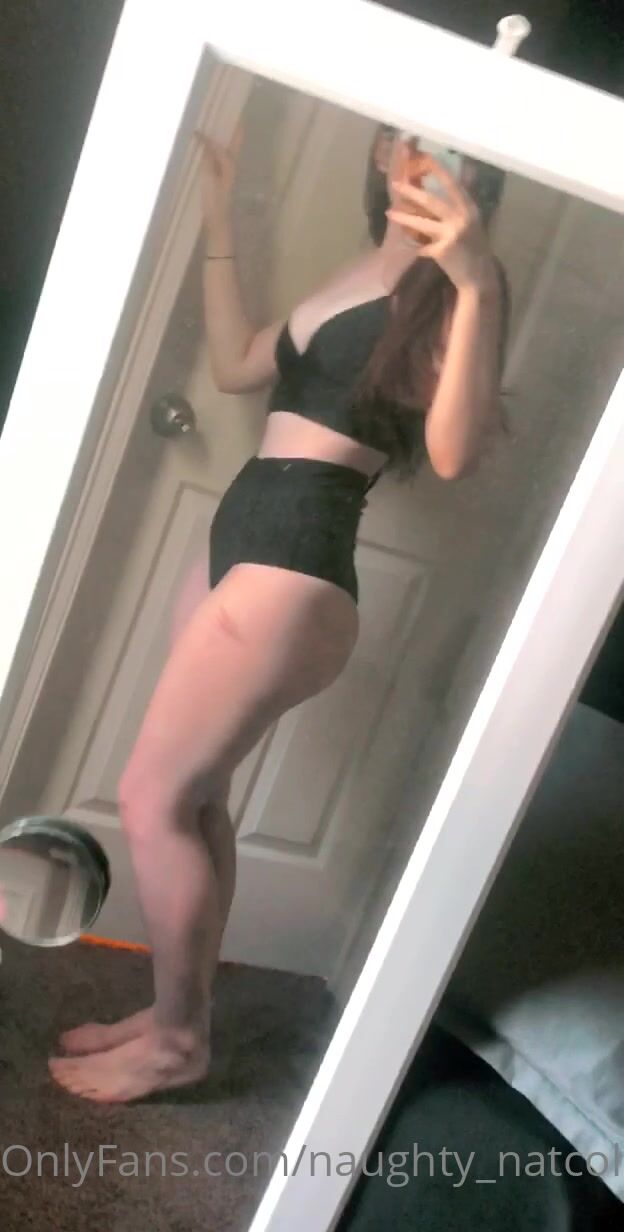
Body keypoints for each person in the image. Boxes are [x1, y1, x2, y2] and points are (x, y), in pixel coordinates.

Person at [48, 125, 508, 1102]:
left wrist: (477, 280)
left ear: (480, 174)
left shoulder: (452, 292)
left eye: (451, 147)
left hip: (298, 554)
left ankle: (178, 1041)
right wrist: (220, 211)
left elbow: (456, 453)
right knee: (195, 796)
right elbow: (233, 364)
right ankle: (179, 1013)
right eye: (408, 136)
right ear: (381, 150)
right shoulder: (357, 269)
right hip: (248, 527)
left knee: (151, 796)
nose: (424, 155)